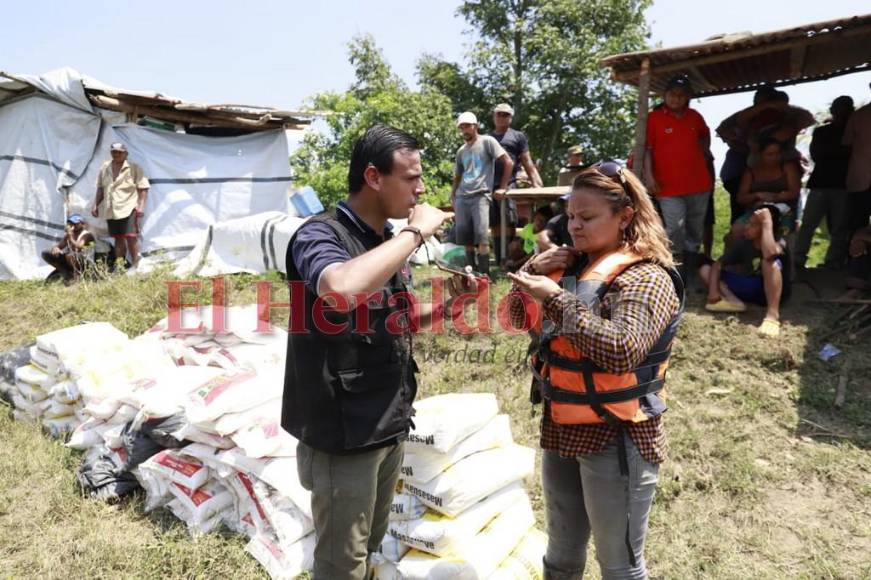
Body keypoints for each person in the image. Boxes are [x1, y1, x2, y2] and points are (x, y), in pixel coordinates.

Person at [282, 125, 463, 580]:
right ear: (373, 177)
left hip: (387, 421)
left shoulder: (384, 241)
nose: (421, 189)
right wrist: (415, 234)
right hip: (343, 432)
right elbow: (339, 290)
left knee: (368, 549)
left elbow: (392, 321)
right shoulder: (320, 235)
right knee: (341, 564)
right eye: (411, 178)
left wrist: (452, 306)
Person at [507, 162, 683, 579]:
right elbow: (518, 317)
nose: (575, 227)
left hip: (618, 435)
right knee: (560, 557)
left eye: (587, 218)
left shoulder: (647, 277)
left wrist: (557, 299)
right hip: (564, 424)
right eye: (570, 216)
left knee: (619, 566)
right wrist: (534, 270)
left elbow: (622, 350)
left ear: (625, 216)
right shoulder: (570, 266)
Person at [642, 75, 714, 288]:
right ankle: (675, 277)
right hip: (668, 187)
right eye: (672, 94)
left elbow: (705, 136)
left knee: (695, 231)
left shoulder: (695, 117)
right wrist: (649, 177)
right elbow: (647, 151)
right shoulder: (653, 118)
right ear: (665, 95)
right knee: (674, 229)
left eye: (681, 95)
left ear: (688, 97)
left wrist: (702, 152)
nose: (676, 98)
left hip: (699, 184)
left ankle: (690, 277)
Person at [700, 205, 790, 337]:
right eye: (748, 222)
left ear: (766, 228)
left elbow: (770, 254)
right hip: (750, 287)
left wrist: (766, 222)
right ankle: (734, 302)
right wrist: (713, 293)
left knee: (768, 262)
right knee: (705, 269)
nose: (746, 226)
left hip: (771, 293)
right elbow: (718, 265)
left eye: (752, 224)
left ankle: (772, 315)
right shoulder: (745, 244)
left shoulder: (779, 243)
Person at [795, 96, 854, 271]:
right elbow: (818, 154)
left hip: (841, 184)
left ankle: (833, 261)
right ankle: (798, 258)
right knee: (809, 224)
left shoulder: (851, 132)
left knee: (838, 227)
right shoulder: (823, 132)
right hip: (823, 183)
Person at [451, 111, 513, 277]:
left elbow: (507, 161)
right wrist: (453, 195)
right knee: (466, 240)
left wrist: (502, 186)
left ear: (475, 126)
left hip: (481, 195)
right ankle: (472, 275)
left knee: (482, 238)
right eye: (462, 127)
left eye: (467, 126)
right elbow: (457, 176)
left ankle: (484, 275)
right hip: (462, 197)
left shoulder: (487, 141)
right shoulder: (461, 151)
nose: (465, 130)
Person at [489, 102, 543, 265]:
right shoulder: (487, 138)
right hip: (489, 185)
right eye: (499, 114)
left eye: (506, 114)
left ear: (511, 117)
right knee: (495, 223)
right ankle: (499, 259)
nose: (502, 117)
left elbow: (527, 161)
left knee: (510, 220)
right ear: (494, 116)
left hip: (509, 183)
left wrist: (536, 185)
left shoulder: (517, 136)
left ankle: (511, 257)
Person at [91, 142, 149, 269]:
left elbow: (143, 188)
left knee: (131, 237)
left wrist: (141, 207)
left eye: (119, 152)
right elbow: (100, 188)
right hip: (111, 209)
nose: (116, 154)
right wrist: (95, 204)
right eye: (114, 151)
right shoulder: (105, 167)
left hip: (128, 208)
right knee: (118, 238)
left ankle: (136, 265)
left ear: (126, 153)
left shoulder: (134, 168)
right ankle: (120, 266)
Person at [735, 138, 801, 230]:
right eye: (770, 154)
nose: (775, 157)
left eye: (778, 153)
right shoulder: (750, 172)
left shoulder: (788, 168)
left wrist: (774, 197)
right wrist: (757, 195)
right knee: (737, 229)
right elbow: (741, 198)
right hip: (757, 211)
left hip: (785, 211)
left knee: (785, 232)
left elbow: (795, 192)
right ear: (760, 155)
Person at [843, 82, 871, 235]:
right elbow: (846, 144)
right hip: (861, 179)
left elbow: (847, 144)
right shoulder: (858, 115)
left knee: (858, 223)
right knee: (858, 224)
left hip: (860, 178)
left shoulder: (859, 115)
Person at [41, 213, 95, 281]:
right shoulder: (69, 235)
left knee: (71, 256)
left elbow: (77, 248)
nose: (73, 225)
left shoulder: (87, 235)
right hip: (71, 260)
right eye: (71, 223)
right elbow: (59, 246)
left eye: (76, 223)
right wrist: (56, 249)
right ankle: (66, 272)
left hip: (85, 263)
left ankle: (76, 277)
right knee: (46, 253)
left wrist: (70, 235)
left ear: (82, 224)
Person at [504, 206, 552, 272]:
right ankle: (509, 262)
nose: (539, 223)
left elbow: (534, 253)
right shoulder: (528, 227)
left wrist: (516, 263)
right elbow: (521, 241)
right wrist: (516, 245)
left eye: (543, 221)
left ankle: (515, 265)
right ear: (534, 217)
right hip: (525, 252)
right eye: (538, 219)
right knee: (513, 245)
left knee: (532, 255)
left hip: (535, 255)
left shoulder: (544, 234)